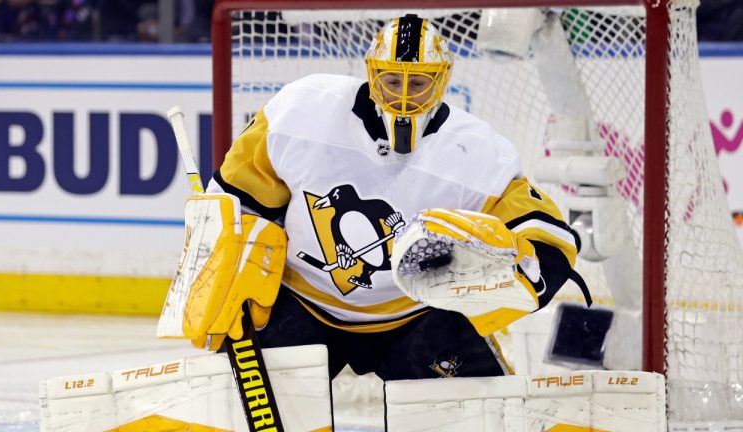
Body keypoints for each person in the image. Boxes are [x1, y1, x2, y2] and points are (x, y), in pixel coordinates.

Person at [205, 14, 586, 382]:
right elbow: (236, 197)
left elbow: (550, 238)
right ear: (371, 75)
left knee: (486, 418)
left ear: (441, 81)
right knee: (241, 413)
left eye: (418, 83)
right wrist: (222, 266)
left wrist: (516, 273)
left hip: (417, 316)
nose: (403, 97)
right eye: (391, 81)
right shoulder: (303, 109)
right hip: (303, 304)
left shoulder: (478, 153)